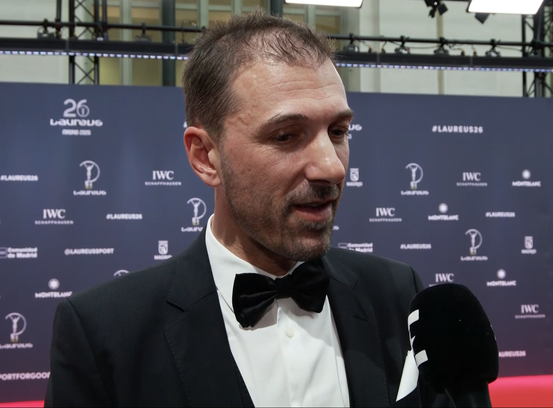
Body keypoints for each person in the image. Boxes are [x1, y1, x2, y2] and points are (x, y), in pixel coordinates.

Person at [45, 10, 446, 407]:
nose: (332, 167)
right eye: (286, 135)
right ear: (205, 156)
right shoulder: (105, 334)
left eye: (338, 132)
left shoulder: (398, 294)